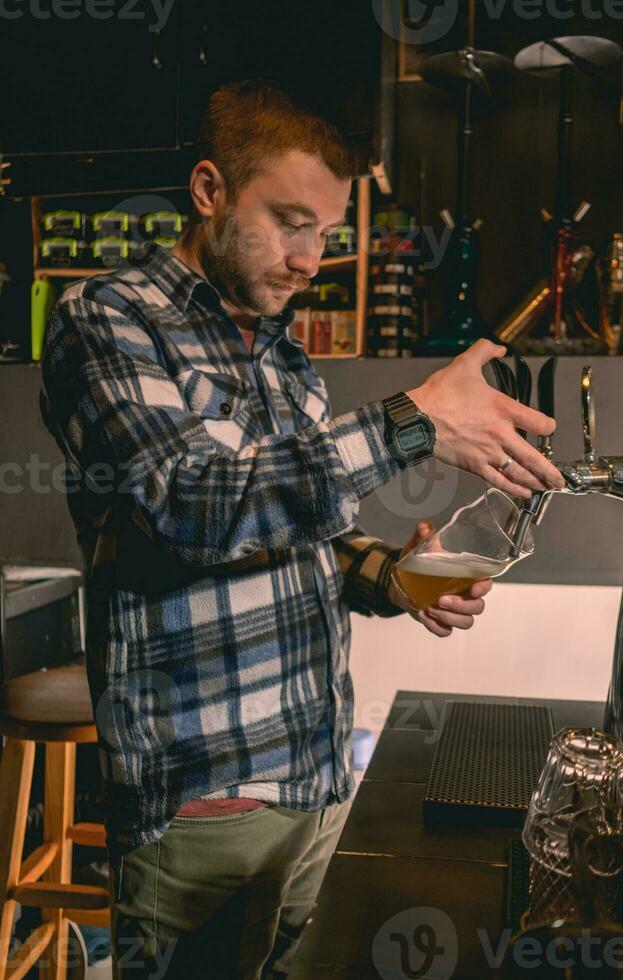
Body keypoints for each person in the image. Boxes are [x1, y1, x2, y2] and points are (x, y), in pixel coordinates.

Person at [39, 80, 564, 980]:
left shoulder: (285, 355)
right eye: (289, 222)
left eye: (325, 231)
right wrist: (413, 421)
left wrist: (387, 578)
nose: (310, 258)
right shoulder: (109, 322)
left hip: (319, 778)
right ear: (209, 191)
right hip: (206, 798)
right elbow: (194, 505)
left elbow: (295, 536)